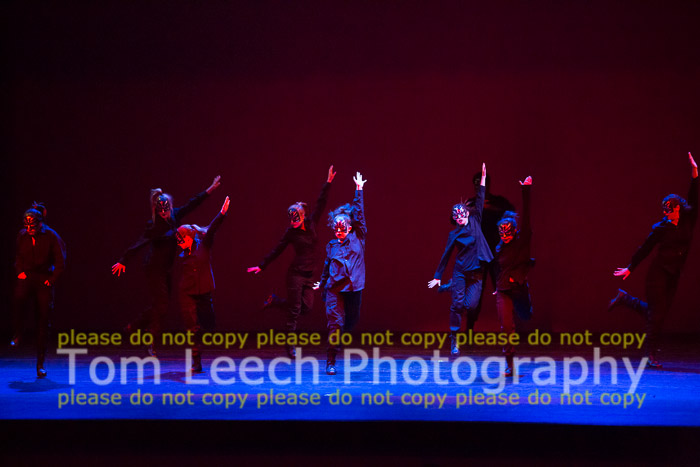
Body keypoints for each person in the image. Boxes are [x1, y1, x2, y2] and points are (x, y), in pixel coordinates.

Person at [112, 176, 221, 356]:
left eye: (167, 211)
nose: (165, 214)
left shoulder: (175, 215)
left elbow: (192, 203)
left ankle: (134, 326)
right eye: (161, 212)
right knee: (161, 306)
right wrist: (123, 260)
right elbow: (140, 242)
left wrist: (210, 189)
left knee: (160, 305)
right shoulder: (154, 225)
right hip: (154, 268)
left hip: (166, 269)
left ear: (170, 208)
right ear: (157, 210)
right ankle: (150, 341)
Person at [609, 152, 698, 368]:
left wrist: (695, 173)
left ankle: (625, 299)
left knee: (659, 313)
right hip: (658, 274)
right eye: (664, 211)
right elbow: (645, 248)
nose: (666, 214)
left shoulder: (688, 219)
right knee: (656, 316)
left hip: (673, 274)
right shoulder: (660, 228)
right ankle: (650, 355)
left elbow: (694, 197)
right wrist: (630, 267)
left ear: (678, 209)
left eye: (670, 210)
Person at [247, 166, 336, 358]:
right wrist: (262, 265)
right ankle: (290, 345)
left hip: (309, 275)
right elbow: (277, 249)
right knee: (294, 311)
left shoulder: (311, 223)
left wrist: (328, 182)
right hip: (295, 275)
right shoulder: (290, 233)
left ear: (302, 216)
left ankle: (275, 301)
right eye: (291, 219)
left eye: (296, 218)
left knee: (307, 308)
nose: (292, 222)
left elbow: (321, 203)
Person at [439, 172, 516, 332]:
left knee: (502, 289)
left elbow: (511, 212)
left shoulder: (498, 202)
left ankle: (510, 327)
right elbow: (454, 219)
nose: (477, 187)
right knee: (475, 293)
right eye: (475, 184)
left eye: (479, 183)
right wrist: (468, 210)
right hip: (477, 255)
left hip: (495, 253)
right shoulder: (471, 203)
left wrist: (489, 208)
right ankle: (469, 329)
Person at [429, 163, 492, 356]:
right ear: (455, 219)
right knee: (456, 306)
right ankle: (454, 339)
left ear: (467, 214)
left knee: (470, 306)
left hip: (477, 273)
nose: (460, 219)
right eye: (457, 218)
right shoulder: (454, 234)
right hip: (461, 271)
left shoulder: (475, 220)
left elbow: (480, 199)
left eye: (462, 216)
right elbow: (446, 254)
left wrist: (483, 179)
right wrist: (437, 276)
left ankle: (450, 286)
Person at [316, 172, 367, 375]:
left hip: (354, 289)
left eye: (343, 229)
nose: (339, 231)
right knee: (335, 324)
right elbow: (326, 266)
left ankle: (340, 335)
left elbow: (359, 215)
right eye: (336, 229)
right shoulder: (331, 246)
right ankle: (330, 361)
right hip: (335, 289)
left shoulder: (358, 237)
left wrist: (359, 190)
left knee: (351, 321)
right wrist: (321, 283)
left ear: (349, 228)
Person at [12, 203, 67, 378]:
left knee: (43, 320)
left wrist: (51, 279)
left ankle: (40, 364)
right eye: (26, 226)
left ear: (40, 223)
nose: (29, 229)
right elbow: (18, 256)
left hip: (44, 278)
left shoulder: (51, 236)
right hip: (28, 276)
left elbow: (60, 260)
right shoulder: (22, 236)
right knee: (19, 298)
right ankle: (18, 331)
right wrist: (19, 271)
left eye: (32, 226)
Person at [176, 196, 229, 373]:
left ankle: (204, 332)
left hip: (204, 292)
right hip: (187, 293)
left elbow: (212, 229)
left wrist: (222, 213)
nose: (180, 243)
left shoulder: (204, 245)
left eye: (182, 239)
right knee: (193, 328)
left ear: (190, 237)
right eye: (179, 240)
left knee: (209, 324)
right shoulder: (183, 252)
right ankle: (196, 362)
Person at [493, 176, 534, 377]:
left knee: (526, 315)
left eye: (507, 232)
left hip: (519, 289)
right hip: (504, 290)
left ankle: (526, 308)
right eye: (502, 233)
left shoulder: (521, 241)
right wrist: (496, 287)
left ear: (514, 230)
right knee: (507, 327)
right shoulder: (500, 248)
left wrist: (526, 190)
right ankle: (509, 364)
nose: (505, 236)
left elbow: (526, 218)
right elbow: (498, 268)